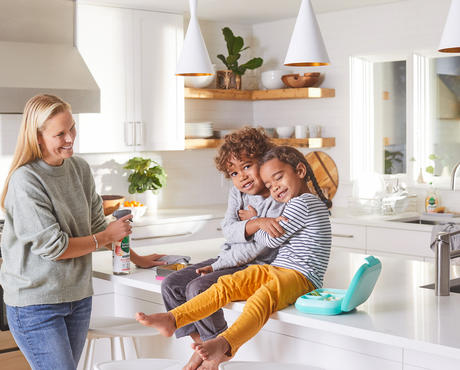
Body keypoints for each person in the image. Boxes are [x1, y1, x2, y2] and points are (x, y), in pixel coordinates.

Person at [0, 94, 163, 370]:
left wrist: (138, 259)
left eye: (72, 128)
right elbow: (56, 248)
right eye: (60, 133)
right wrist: (106, 237)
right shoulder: (26, 179)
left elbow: (99, 225)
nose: (70, 138)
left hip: (77, 298)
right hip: (36, 304)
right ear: (38, 137)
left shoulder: (80, 169)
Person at [136, 146, 332, 370]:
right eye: (269, 184)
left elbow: (271, 240)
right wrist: (258, 223)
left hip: (302, 276)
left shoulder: (303, 203)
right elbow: (252, 231)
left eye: (278, 178)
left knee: (261, 299)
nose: (275, 188)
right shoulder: (294, 202)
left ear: (300, 171)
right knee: (227, 284)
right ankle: (173, 319)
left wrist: (255, 220)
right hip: (279, 269)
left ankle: (224, 344)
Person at [160, 127, 286, 369]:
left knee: (198, 287)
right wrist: (255, 222)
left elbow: (257, 249)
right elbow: (227, 229)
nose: (242, 177)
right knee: (172, 285)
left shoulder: (277, 195)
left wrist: (248, 226)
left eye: (247, 166)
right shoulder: (237, 192)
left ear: (265, 159)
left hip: (257, 266)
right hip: (230, 258)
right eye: (234, 172)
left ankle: (219, 350)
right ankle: (206, 347)